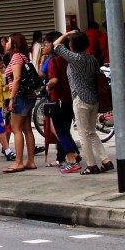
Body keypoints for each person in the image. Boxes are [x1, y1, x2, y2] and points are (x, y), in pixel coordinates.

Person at [53, 30, 111, 174]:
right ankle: (105, 160)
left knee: (84, 134)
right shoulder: (92, 58)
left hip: (80, 99)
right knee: (91, 132)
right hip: (94, 99)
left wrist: (67, 34)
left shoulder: (75, 58)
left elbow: (56, 45)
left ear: (72, 45)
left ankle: (91, 165)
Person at [44, 30, 81, 173]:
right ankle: (74, 155)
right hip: (70, 99)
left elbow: (54, 80)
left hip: (57, 100)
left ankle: (71, 160)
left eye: (47, 43)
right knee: (65, 129)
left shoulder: (54, 61)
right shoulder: (70, 58)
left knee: (61, 131)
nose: (44, 46)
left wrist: (47, 85)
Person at [3, 32, 38, 172]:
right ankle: (31, 161)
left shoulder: (16, 57)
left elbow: (16, 78)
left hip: (20, 96)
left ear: (14, 45)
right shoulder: (23, 56)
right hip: (29, 96)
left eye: (9, 41)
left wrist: (11, 98)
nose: (6, 43)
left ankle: (18, 162)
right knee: (27, 129)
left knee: (16, 129)